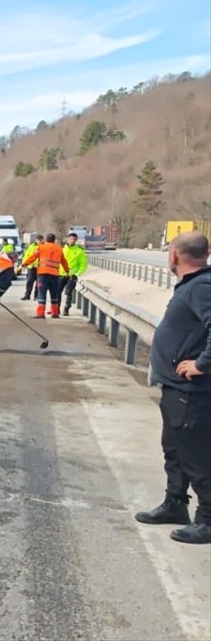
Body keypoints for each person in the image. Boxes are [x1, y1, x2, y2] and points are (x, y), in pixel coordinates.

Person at [134, 232, 211, 545]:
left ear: (175, 255)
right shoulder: (192, 285)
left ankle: (207, 519)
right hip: (175, 387)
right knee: (175, 450)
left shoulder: (201, 287)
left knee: (196, 455)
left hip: (192, 390)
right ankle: (175, 503)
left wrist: (202, 364)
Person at [21, 233, 69, 319]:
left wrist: (24, 264)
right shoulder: (59, 249)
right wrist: (67, 271)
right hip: (55, 275)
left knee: (42, 293)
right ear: (54, 240)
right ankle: (54, 313)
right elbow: (63, 261)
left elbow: (33, 257)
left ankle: (41, 314)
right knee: (54, 294)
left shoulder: (41, 247)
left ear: (46, 240)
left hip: (43, 274)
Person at [60, 232, 87, 315]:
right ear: (67, 239)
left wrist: (77, 274)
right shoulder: (62, 250)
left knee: (68, 292)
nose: (72, 240)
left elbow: (83, 265)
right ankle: (56, 308)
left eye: (74, 239)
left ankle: (66, 308)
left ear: (76, 240)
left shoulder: (79, 251)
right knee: (57, 292)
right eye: (71, 239)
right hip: (61, 274)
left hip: (72, 275)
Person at [20, 234, 42, 300]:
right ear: (36, 240)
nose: (39, 241)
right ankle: (27, 295)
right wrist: (24, 264)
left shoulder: (43, 247)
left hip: (40, 267)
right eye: (38, 240)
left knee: (38, 283)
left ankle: (37, 296)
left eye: (40, 240)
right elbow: (27, 255)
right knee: (29, 282)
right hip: (31, 267)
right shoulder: (32, 246)